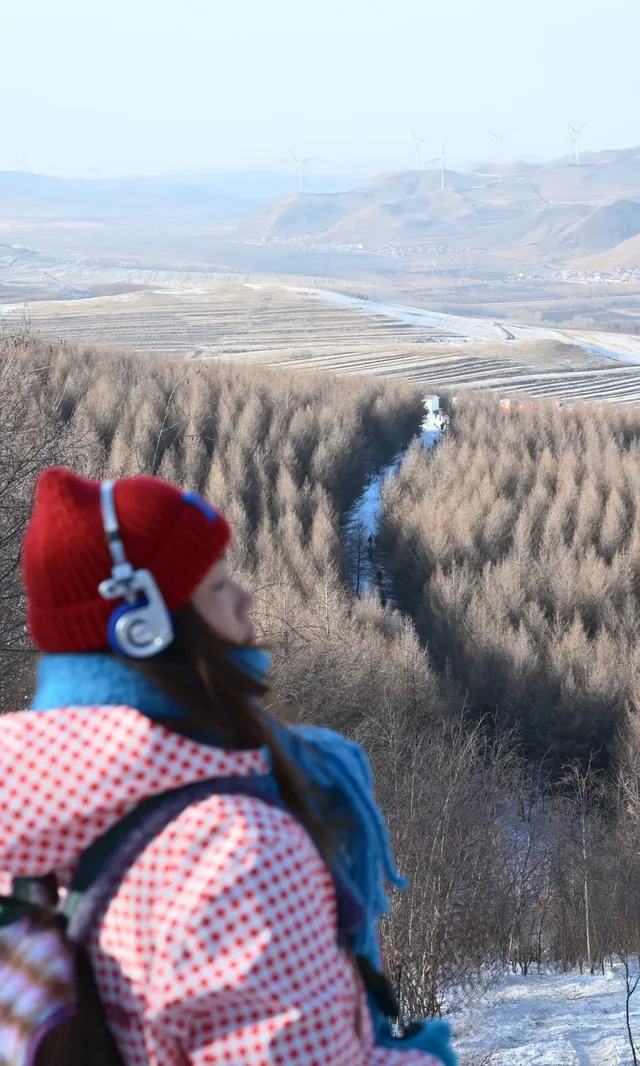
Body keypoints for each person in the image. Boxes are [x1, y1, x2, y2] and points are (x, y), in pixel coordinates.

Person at [0, 467, 456, 1066]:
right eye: (216, 585)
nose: (245, 601)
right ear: (142, 628)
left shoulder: (29, 808)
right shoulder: (232, 851)